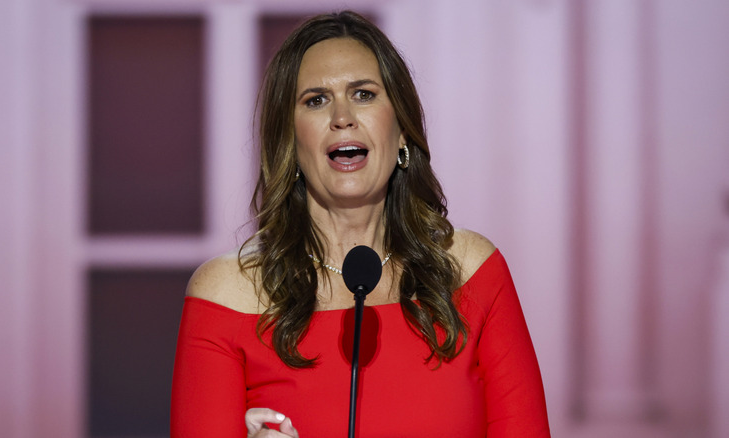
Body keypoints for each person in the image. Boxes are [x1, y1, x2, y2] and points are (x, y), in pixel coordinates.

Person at [171, 10, 549, 438]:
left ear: (402, 130)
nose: (342, 117)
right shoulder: (226, 295)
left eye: (364, 94)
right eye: (316, 100)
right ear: (289, 142)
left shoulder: (471, 272)